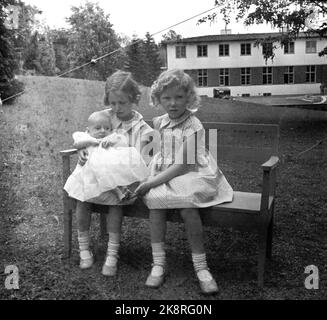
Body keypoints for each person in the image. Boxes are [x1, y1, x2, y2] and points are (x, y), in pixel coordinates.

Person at [135, 69, 233, 295]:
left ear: (189, 98)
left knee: (188, 207)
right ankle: (158, 264)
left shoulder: (193, 124)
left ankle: (201, 268)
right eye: (166, 98)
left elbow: (184, 165)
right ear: (158, 99)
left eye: (179, 97)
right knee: (155, 205)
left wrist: (150, 183)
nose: (173, 103)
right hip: (166, 172)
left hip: (191, 173)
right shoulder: (159, 122)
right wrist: (147, 171)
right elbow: (156, 151)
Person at [73, 70, 153, 276]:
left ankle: (112, 254)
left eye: (122, 104)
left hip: (123, 181)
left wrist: (117, 145)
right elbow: (87, 135)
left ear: (134, 99)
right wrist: (83, 149)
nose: (116, 108)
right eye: (113, 103)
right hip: (94, 175)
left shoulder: (141, 127)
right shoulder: (104, 116)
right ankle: (84, 249)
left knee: (115, 205)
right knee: (82, 198)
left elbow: (141, 159)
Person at [64, 111, 150, 205]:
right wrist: (90, 142)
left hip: (108, 170)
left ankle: (121, 190)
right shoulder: (85, 137)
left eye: (107, 128)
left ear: (111, 130)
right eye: (98, 128)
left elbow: (122, 143)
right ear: (88, 130)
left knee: (106, 172)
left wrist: (111, 141)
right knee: (97, 171)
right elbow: (76, 144)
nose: (102, 131)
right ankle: (119, 192)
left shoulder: (110, 138)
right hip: (91, 174)